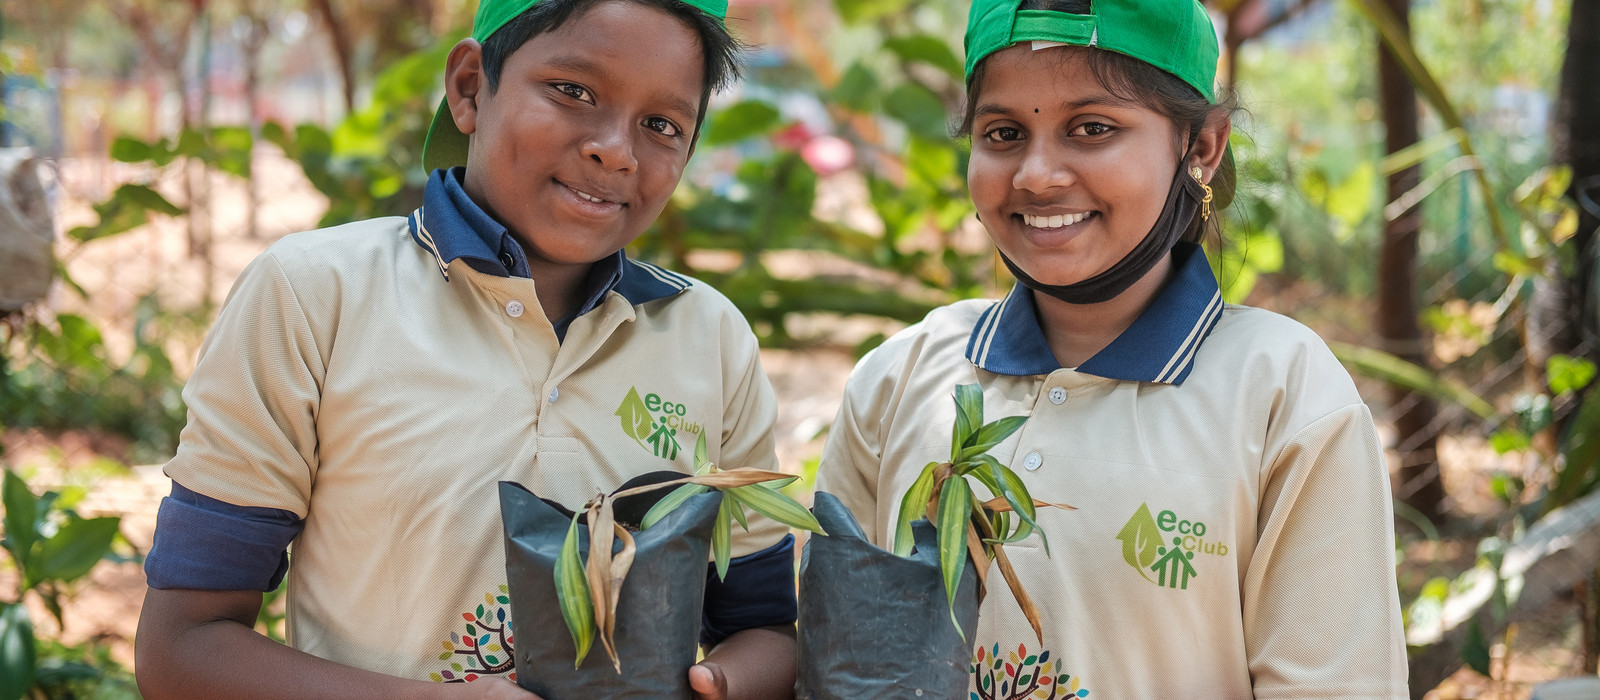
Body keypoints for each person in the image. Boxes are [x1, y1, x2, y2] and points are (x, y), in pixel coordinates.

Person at [134, 1, 798, 698]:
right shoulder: (316, 295)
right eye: (573, 91)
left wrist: (714, 684)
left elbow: (765, 633)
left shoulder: (709, 338)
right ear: (470, 88)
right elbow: (184, 650)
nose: (616, 149)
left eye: (662, 125)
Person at [814, 1, 1409, 698]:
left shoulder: (1282, 394)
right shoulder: (899, 378)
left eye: (1092, 128)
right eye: (1002, 132)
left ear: (1203, 148)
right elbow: (837, 658)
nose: (1036, 175)